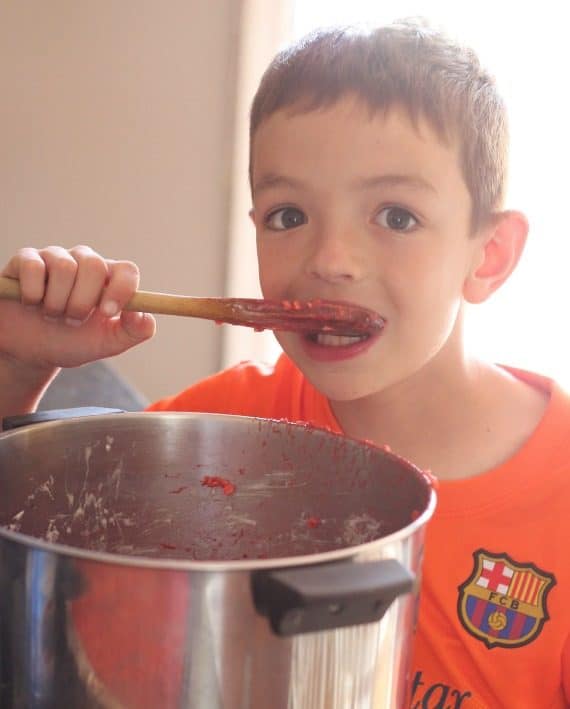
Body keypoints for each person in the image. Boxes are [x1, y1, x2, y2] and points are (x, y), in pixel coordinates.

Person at [1, 19, 569, 708]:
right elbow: (34, 540)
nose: (330, 260)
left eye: (395, 216)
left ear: (490, 255)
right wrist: (18, 369)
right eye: (288, 215)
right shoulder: (226, 427)